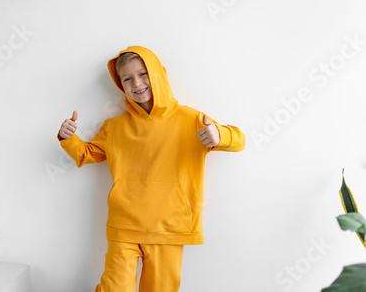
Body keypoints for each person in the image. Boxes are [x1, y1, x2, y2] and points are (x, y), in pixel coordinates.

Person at [57, 46, 245, 291]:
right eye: (127, 78)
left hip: (169, 227)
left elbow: (239, 140)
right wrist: (69, 138)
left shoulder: (191, 120)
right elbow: (86, 153)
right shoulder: (114, 127)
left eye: (143, 73)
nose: (137, 83)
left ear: (157, 74)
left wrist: (219, 135)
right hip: (124, 225)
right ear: (120, 85)